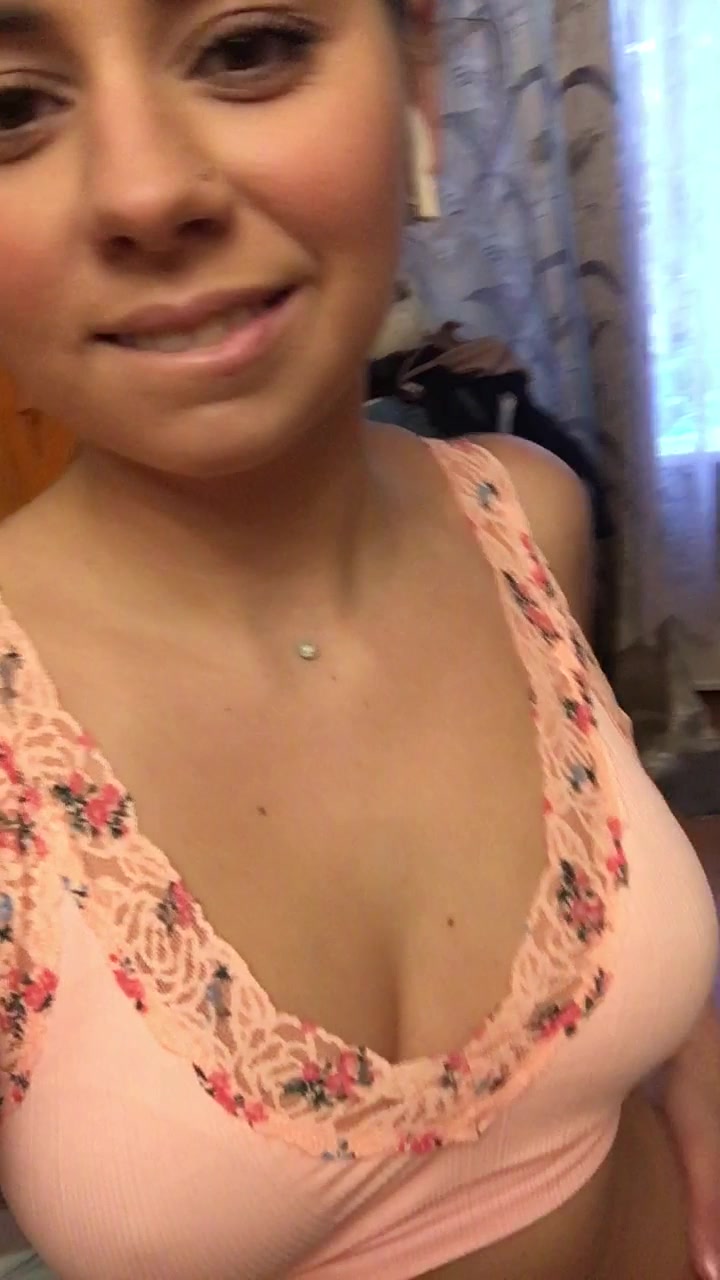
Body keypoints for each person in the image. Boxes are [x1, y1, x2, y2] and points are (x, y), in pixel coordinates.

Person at [0, 1, 717, 1277]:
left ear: (416, 78)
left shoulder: (528, 517)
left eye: (247, 48)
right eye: (9, 108)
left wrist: (697, 1043)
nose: (147, 191)